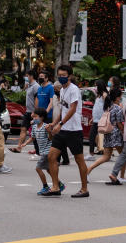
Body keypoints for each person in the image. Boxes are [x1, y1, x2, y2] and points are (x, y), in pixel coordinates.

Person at [42, 64, 88, 197]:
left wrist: (60, 124)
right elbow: (63, 110)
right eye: (59, 75)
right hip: (62, 130)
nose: (61, 78)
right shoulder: (62, 90)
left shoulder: (74, 90)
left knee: (79, 160)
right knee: (51, 157)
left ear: (70, 76)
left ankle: (84, 189)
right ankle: (56, 187)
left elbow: (73, 109)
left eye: (64, 75)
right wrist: (53, 123)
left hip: (73, 130)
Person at [86, 87, 125, 177]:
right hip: (116, 134)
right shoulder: (118, 108)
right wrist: (123, 131)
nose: (121, 99)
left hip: (107, 133)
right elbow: (119, 124)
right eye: (120, 97)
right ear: (117, 97)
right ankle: (122, 176)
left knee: (106, 156)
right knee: (123, 156)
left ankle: (89, 169)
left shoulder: (108, 107)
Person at [11, 70, 38, 155]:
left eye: (27, 76)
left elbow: (37, 100)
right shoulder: (29, 86)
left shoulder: (36, 86)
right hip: (27, 112)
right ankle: (19, 147)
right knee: (23, 129)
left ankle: (38, 149)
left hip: (34, 112)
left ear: (31, 76)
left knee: (36, 132)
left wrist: (35, 112)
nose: (26, 78)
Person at [85, 80, 109, 161]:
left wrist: (106, 117)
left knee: (106, 137)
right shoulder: (98, 96)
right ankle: (91, 154)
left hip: (102, 120)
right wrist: (92, 118)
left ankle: (107, 154)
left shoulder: (104, 95)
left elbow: (108, 106)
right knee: (91, 136)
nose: (95, 87)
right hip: (96, 120)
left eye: (96, 86)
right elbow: (96, 107)